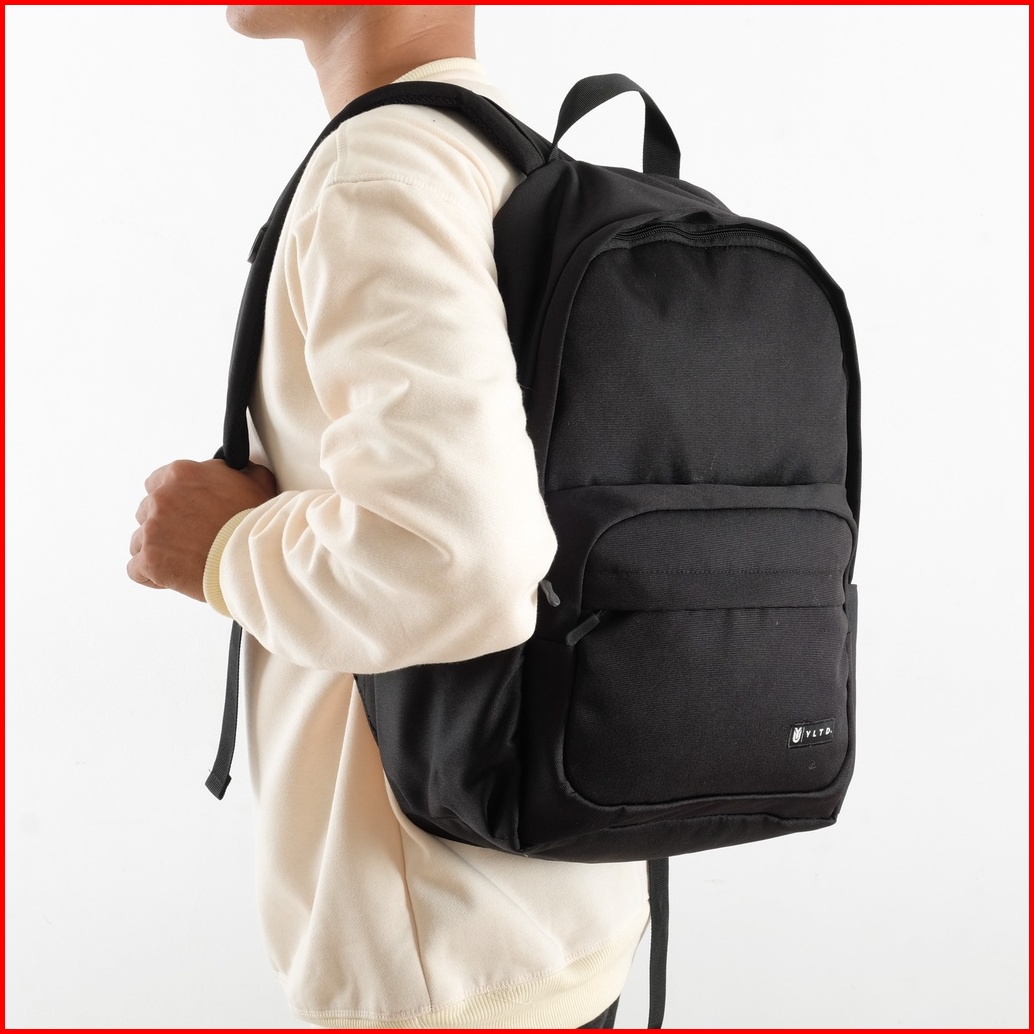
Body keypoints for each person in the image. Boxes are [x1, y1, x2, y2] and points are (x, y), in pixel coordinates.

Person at [127, 5, 648, 1029]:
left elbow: (459, 555)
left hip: (440, 961)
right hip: (552, 904)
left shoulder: (382, 171)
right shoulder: (505, 154)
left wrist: (223, 549)